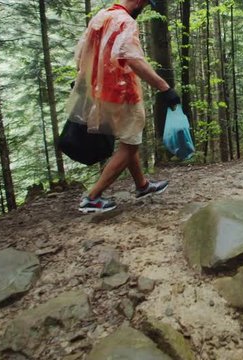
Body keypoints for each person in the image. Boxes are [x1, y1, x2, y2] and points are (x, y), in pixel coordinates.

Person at [70, 0, 180, 213]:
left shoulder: (103, 16)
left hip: (99, 91)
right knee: (131, 143)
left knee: (129, 139)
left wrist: (83, 79)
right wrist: (165, 88)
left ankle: (142, 185)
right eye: (146, 4)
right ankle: (93, 197)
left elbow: (82, 52)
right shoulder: (125, 21)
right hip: (122, 93)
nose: (144, 8)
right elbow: (134, 60)